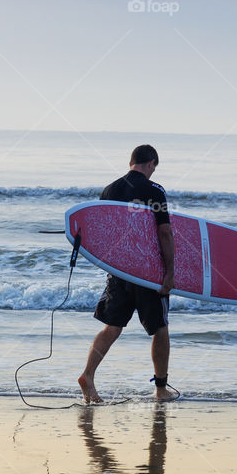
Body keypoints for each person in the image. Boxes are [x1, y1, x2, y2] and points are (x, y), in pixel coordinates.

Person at [79, 145, 176, 403]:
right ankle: (161, 390)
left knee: (113, 326)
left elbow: (101, 233)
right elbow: (164, 232)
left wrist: (111, 267)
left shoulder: (109, 190)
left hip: (119, 271)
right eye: (154, 168)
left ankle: (88, 375)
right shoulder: (154, 190)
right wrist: (170, 273)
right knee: (160, 329)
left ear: (131, 161)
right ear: (151, 163)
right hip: (147, 274)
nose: (153, 172)